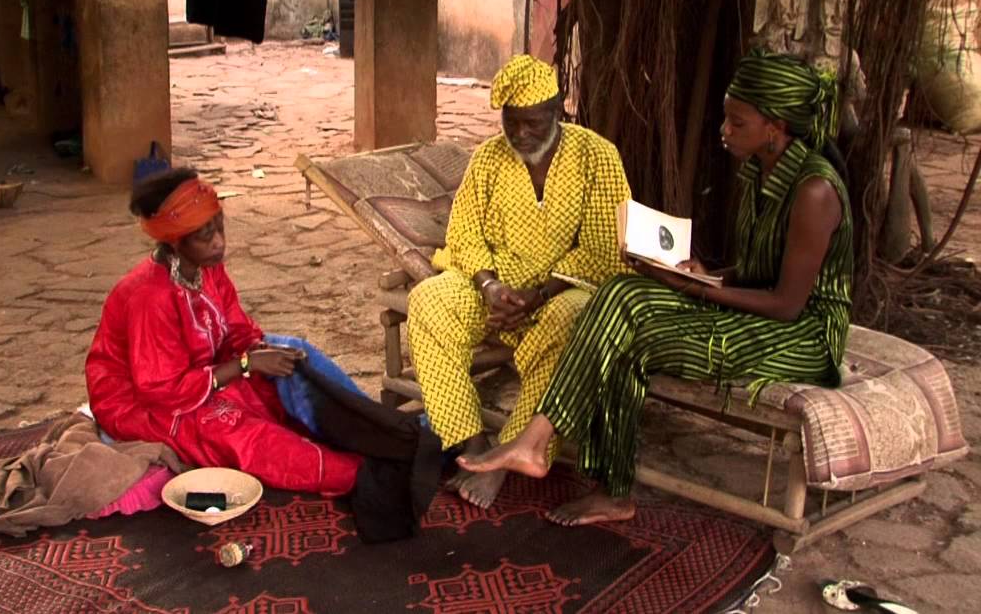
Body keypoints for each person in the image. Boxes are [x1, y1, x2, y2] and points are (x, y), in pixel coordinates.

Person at [459, 49, 853, 527]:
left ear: (776, 127)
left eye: (737, 123)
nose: (724, 132)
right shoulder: (758, 170)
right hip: (756, 307)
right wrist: (701, 274)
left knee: (630, 340)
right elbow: (757, 271)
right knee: (620, 293)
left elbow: (787, 304)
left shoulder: (815, 190)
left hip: (803, 337)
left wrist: (700, 292)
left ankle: (560, 454)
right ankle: (563, 458)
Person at [405, 55, 631, 508]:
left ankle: (512, 453)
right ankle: (471, 445)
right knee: (429, 300)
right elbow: (464, 235)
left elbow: (606, 250)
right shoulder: (488, 159)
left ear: (557, 111)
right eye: (512, 123)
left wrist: (540, 293)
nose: (520, 134)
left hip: (561, 292)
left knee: (573, 326)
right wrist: (490, 286)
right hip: (496, 291)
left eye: (532, 122)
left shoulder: (597, 156)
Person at [85, 168, 365, 497]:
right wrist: (246, 365)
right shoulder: (148, 297)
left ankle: (372, 430)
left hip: (203, 373)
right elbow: (163, 391)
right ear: (176, 240)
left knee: (292, 354)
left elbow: (236, 327)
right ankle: (355, 474)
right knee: (240, 432)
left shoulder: (208, 266)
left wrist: (257, 349)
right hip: (145, 404)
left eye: (220, 227)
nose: (219, 242)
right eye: (205, 235)